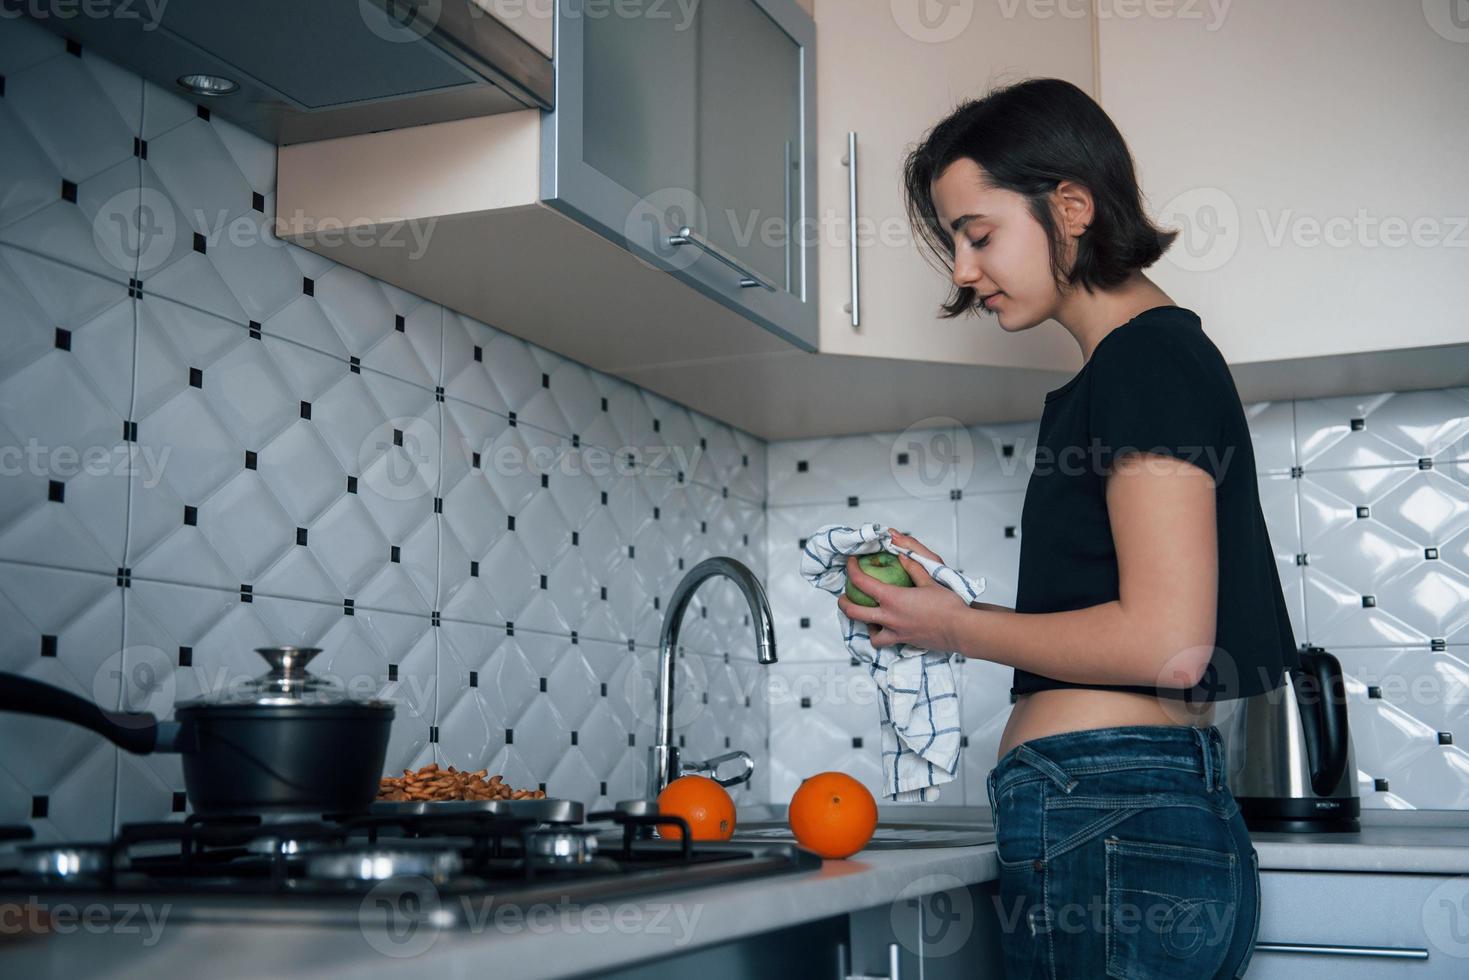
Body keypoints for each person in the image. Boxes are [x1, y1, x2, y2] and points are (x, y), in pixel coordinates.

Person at [836, 78, 1295, 978]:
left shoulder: (1144, 361)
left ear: (1071, 206)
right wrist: (950, 605)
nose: (962, 271)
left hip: (1108, 806)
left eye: (977, 234)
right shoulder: (1137, 366)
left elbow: (1165, 643)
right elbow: (1126, 614)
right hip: (1117, 808)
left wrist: (952, 629)